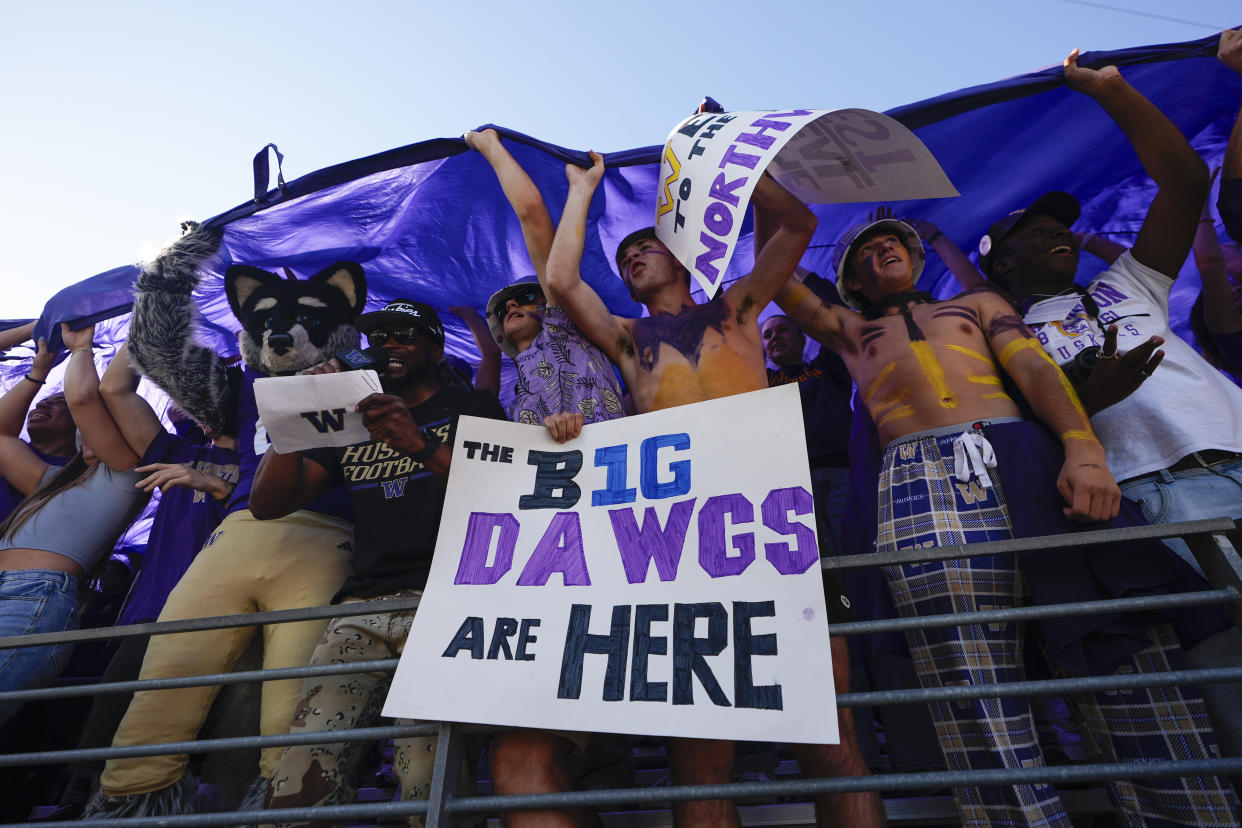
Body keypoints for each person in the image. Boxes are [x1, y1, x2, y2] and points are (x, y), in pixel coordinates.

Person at [546, 152, 883, 828]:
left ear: (681, 260)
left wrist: (739, 159)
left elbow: (794, 220)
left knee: (829, 722)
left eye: (648, 248)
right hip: (680, 535)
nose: (634, 257)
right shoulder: (626, 337)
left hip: (772, 516)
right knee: (700, 746)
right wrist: (582, 190)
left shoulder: (739, 306)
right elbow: (559, 279)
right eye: (626, 257)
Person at [252, 300, 586, 828]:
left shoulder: (473, 408)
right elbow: (267, 505)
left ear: (435, 349)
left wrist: (421, 444)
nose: (389, 343)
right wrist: (295, 415)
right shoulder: (349, 422)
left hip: (448, 606)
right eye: (380, 336)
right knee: (302, 773)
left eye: (406, 335)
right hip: (359, 608)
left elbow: (506, 497)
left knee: (426, 779)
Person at [72, 341, 241, 792]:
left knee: (209, 750)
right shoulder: (177, 451)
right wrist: (151, 310)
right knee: (116, 740)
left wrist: (220, 489)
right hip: (152, 613)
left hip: (232, 618)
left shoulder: (274, 459)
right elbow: (115, 388)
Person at [0, 325, 149, 727]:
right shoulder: (48, 481)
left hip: (32, 599)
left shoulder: (127, 476)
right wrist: (38, 371)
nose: (89, 429)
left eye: (96, 424)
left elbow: (85, 397)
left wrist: (83, 348)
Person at [465, 128, 626, 435]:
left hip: (611, 469)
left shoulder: (563, 330)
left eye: (526, 297)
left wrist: (488, 145)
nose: (511, 305)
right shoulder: (515, 402)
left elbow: (531, 214)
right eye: (502, 310)